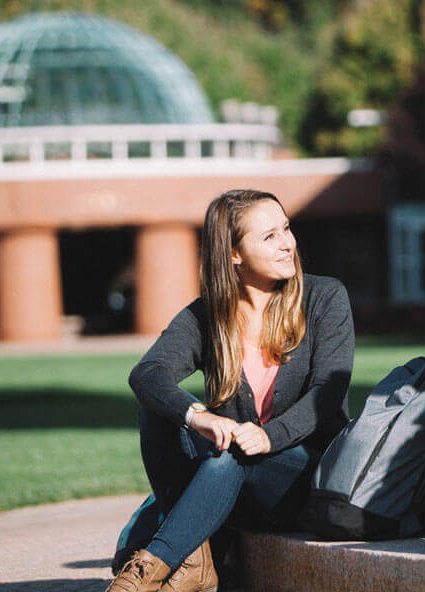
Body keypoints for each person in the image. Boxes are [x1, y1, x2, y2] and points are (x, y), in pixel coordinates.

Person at [108, 190, 354, 592]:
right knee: (159, 409)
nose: (288, 243)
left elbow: (328, 394)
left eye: (286, 229)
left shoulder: (324, 298)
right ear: (234, 254)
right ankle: (193, 558)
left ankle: (152, 569)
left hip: (303, 476)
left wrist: (268, 436)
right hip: (228, 472)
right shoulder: (207, 315)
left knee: (231, 454)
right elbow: (147, 374)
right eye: (269, 236)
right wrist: (197, 417)